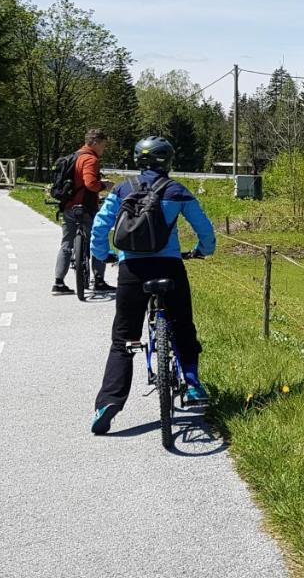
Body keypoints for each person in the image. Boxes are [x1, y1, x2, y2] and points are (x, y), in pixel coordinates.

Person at [88, 135, 216, 434]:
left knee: (123, 339)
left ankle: (109, 402)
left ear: (138, 160)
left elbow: (100, 226)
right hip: (169, 267)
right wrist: (203, 250)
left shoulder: (122, 189)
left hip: (131, 269)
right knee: (183, 325)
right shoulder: (177, 191)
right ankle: (193, 384)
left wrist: (102, 254)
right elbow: (205, 229)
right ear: (168, 161)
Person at [53, 129, 115, 295]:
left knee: (66, 244)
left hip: (68, 206)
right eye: (103, 144)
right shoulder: (90, 159)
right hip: (85, 207)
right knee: (97, 240)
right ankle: (99, 280)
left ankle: (58, 282)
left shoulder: (74, 156)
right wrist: (104, 185)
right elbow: (90, 184)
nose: (104, 148)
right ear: (95, 142)